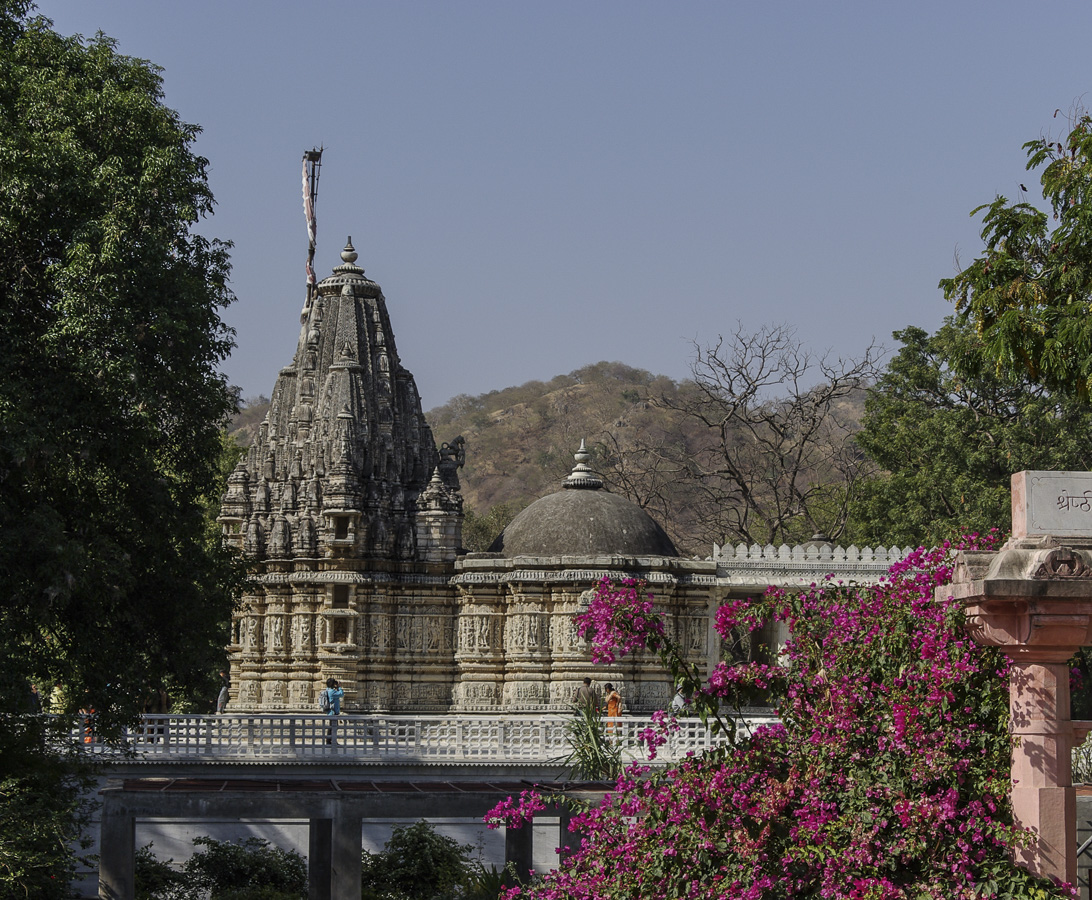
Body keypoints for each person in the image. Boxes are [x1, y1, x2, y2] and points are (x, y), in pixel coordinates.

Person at [323, 677, 344, 745]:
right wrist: (339, 687)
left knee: (332, 727)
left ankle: (329, 740)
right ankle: (331, 741)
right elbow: (341, 694)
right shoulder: (332, 692)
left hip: (331, 712)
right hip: (333, 712)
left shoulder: (328, 690)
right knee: (334, 727)